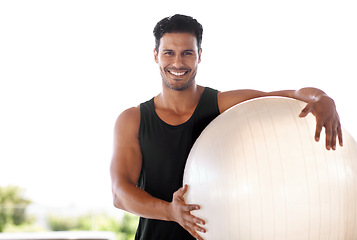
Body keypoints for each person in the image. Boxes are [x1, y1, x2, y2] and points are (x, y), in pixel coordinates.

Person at [110, 14, 343, 240]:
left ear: (199, 55)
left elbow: (291, 95)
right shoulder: (133, 119)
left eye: (187, 53)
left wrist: (323, 98)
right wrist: (170, 212)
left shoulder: (222, 105)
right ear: (155, 55)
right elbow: (120, 193)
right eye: (169, 53)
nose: (178, 62)